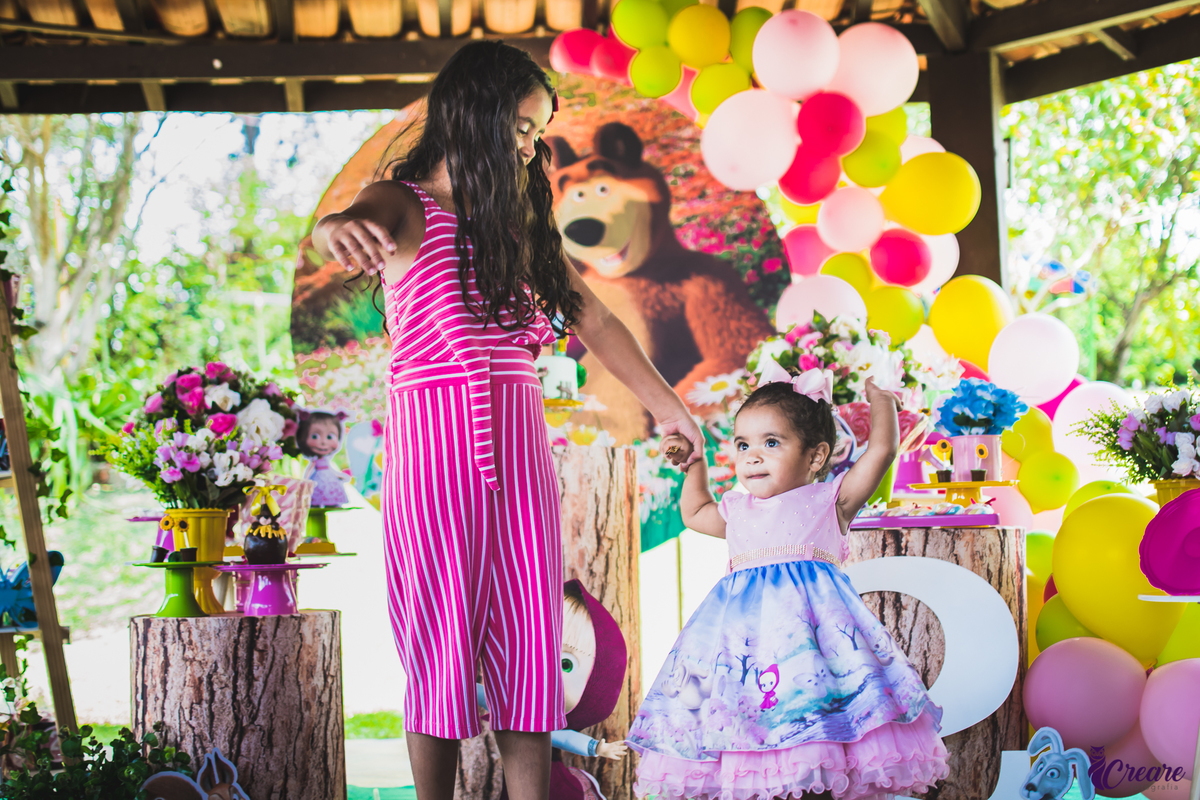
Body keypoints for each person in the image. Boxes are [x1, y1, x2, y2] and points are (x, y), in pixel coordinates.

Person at [309, 40, 704, 800]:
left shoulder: (515, 221)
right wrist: (334, 230)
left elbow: (595, 318)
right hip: (433, 448)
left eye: (535, 131)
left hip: (519, 443)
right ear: (473, 112)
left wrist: (670, 408)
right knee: (440, 647)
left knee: (529, 647)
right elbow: (345, 222)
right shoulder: (403, 202)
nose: (530, 146)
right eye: (521, 127)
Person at [627, 357, 951, 800]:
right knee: (746, 736)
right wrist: (695, 463)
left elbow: (881, 452)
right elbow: (695, 511)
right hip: (742, 652)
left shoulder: (830, 501)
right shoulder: (738, 510)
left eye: (771, 442)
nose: (752, 455)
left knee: (815, 742)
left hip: (812, 658)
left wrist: (882, 402)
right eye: (743, 445)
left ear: (816, 455)